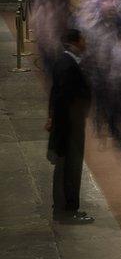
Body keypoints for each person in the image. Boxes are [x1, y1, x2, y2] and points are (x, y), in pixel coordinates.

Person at [46, 29, 94, 223]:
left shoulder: (65, 62)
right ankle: (68, 210)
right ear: (75, 41)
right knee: (70, 168)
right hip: (69, 126)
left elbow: (54, 92)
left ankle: (62, 206)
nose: (86, 42)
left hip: (67, 124)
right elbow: (63, 98)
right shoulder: (68, 65)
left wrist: (52, 117)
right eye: (83, 39)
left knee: (64, 167)